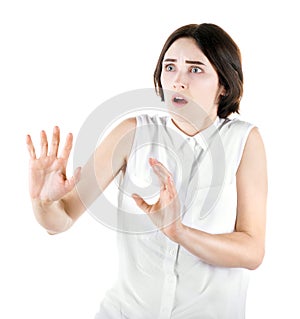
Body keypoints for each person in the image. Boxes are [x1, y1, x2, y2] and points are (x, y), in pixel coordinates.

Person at [26, 23, 267, 319]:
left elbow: (252, 251)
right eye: (170, 67)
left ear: (224, 85)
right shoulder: (132, 134)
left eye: (195, 70)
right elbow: (59, 221)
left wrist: (179, 232)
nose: (178, 81)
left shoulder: (243, 141)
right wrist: (43, 203)